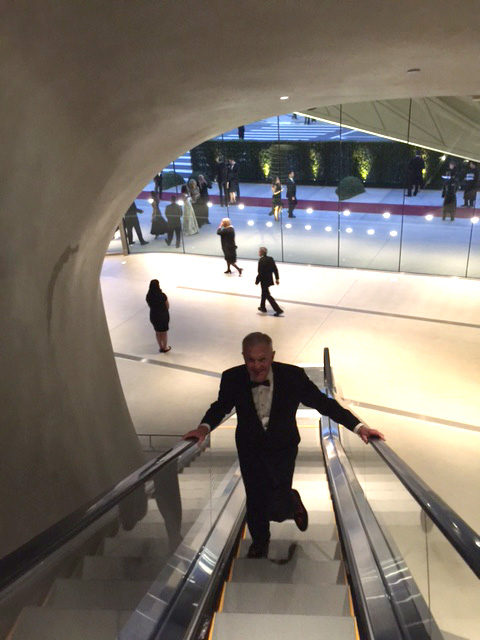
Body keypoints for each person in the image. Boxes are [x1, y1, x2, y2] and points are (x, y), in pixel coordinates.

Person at [183, 332, 384, 558]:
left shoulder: (292, 376)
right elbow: (220, 407)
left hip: (283, 448)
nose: (256, 366)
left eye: (262, 360)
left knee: (278, 507)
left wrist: (358, 427)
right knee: (255, 497)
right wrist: (203, 428)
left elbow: (323, 404)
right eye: (250, 360)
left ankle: (291, 500)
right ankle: (260, 541)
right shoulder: (232, 378)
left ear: (272, 356)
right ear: (243, 357)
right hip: (250, 448)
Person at [256, 247, 283, 316]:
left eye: (259, 251)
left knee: (267, 295)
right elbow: (275, 269)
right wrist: (277, 278)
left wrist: (257, 280)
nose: (258, 252)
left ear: (261, 252)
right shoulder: (270, 259)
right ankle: (262, 307)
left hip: (263, 280)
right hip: (269, 280)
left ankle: (278, 309)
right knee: (264, 293)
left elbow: (260, 272)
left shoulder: (261, 260)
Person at [146, 279, 171, 353]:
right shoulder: (162, 295)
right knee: (164, 332)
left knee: (157, 332)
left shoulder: (148, 296)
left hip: (154, 315)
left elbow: (149, 305)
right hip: (163, 315)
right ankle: (165, 347)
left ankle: (160, 346)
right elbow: (167, 306)